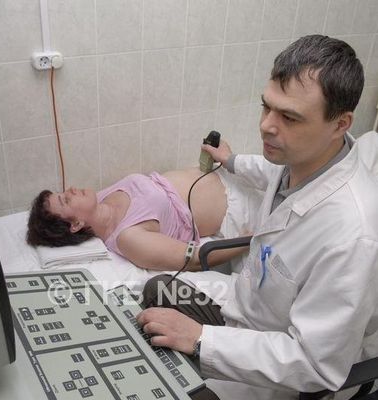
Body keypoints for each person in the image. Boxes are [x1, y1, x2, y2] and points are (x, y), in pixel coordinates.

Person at [137, 35, 378, 400]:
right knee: (158, 290)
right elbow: (266, 170)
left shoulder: (354, 234)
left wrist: (200, 340)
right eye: (266, 107)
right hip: (245, 313)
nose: (267, 125)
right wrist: (230, 160)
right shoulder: (304, 158)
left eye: (289, 117)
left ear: (340, 124)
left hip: (278, 368)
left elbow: (315, 366)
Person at [27, 167, 262, 271]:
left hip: (232, 176)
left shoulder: (100, 198)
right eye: (65, 200)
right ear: (76, 225)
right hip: (243, 210)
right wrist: (254, 238)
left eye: (62, 192)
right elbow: (197, 259)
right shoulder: (129, 238)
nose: (70, 190)